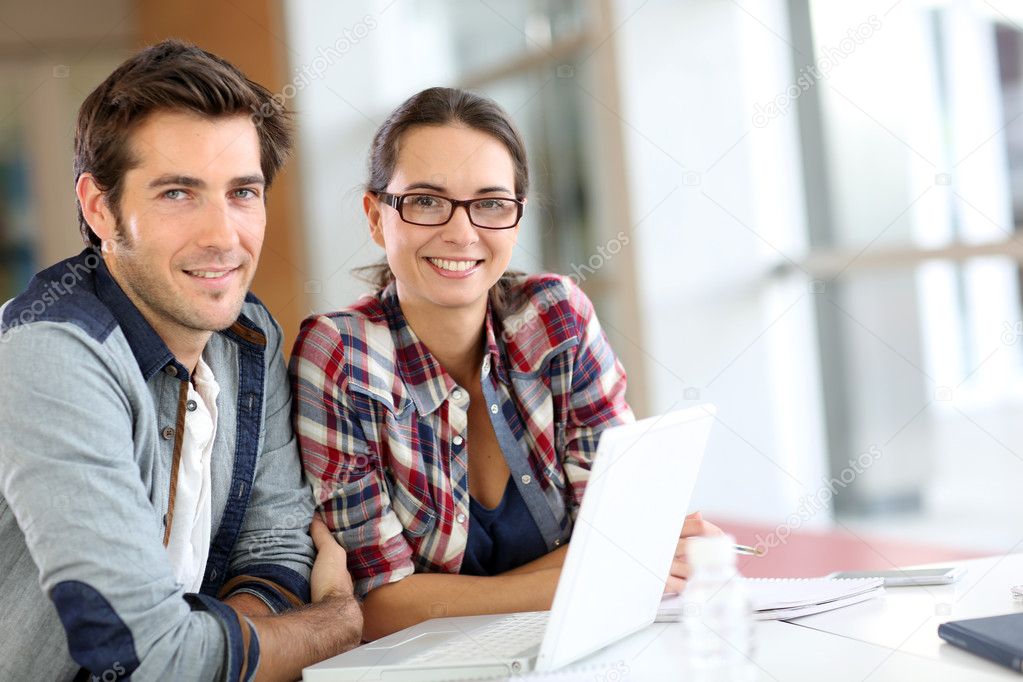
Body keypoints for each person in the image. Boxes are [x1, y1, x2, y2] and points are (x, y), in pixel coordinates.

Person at [290, 86, 720, 641]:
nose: (462, 232)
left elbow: (625, 536)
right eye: (426, 200)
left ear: (516, 221)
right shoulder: (340, 357)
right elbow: (375, 610)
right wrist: (602, 571)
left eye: (491, 203)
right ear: (376, 218)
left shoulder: (555, 319)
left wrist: (629, 558)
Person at [0, 40, 361, 680]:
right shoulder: (52, 353)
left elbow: (274, 543)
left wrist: (216, 657)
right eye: (176, 193)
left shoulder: (248, 334)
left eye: (243, 192)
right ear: (99, 208)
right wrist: (335, 619)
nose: (223, 236)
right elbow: (146, 658)